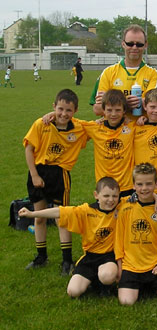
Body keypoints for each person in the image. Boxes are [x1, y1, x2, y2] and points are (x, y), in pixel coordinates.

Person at [19, 177, 121, 298]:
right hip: (90, 257)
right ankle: (94, 281)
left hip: (108, 257)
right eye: (106, 196)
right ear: (96, 195)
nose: (111, 200)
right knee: (73, 291)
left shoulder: (121, 208)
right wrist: (32, 214)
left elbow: (142, 196)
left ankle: (105, 285)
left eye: (115, 196)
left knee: (107, 275)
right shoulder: (86, 211)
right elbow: (59, 212)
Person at [23, 89, 88, 275]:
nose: (63, 114)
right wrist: (34, 175)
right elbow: (29, 150)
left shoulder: (78, 128)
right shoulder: (40, 124)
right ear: (53, 107)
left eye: (68, 110)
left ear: (75, 111)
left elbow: (96, 125)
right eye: (60, 109)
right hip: (39, 171)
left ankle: (67, 261)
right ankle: (41, 256)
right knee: (39, 216)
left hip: (60, 175)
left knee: (62, 218)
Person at [115, 163, 157, 305]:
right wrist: (120, 267)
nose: (144, 188)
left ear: (156, 184)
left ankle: (150, 284)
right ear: (133, 185)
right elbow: (119, 241)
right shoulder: (125, 207)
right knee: (126, 302)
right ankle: (140, 286)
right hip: (130, 266)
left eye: (148, 184)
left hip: (154, 265)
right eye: (139, 184)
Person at [90, 24, 157, 116]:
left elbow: (153, 109)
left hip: (142, 128)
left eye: (139, 44)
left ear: (145, 45)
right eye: (130, 44)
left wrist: (112, 101)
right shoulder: (108, 72)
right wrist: (128, 103)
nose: (134, 47)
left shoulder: (154, 74)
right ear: (123, 44)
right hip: (114, 130)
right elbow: (97, 110)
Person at [82, 90, 136, 197]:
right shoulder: (94, 127)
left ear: (124, 111)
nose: (113, 114)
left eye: (118, 110)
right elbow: (71, 122)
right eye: (109, 110)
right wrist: (54, 114)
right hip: (104, 186)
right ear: (103, 110)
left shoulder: (132, 127)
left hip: (127, 185)